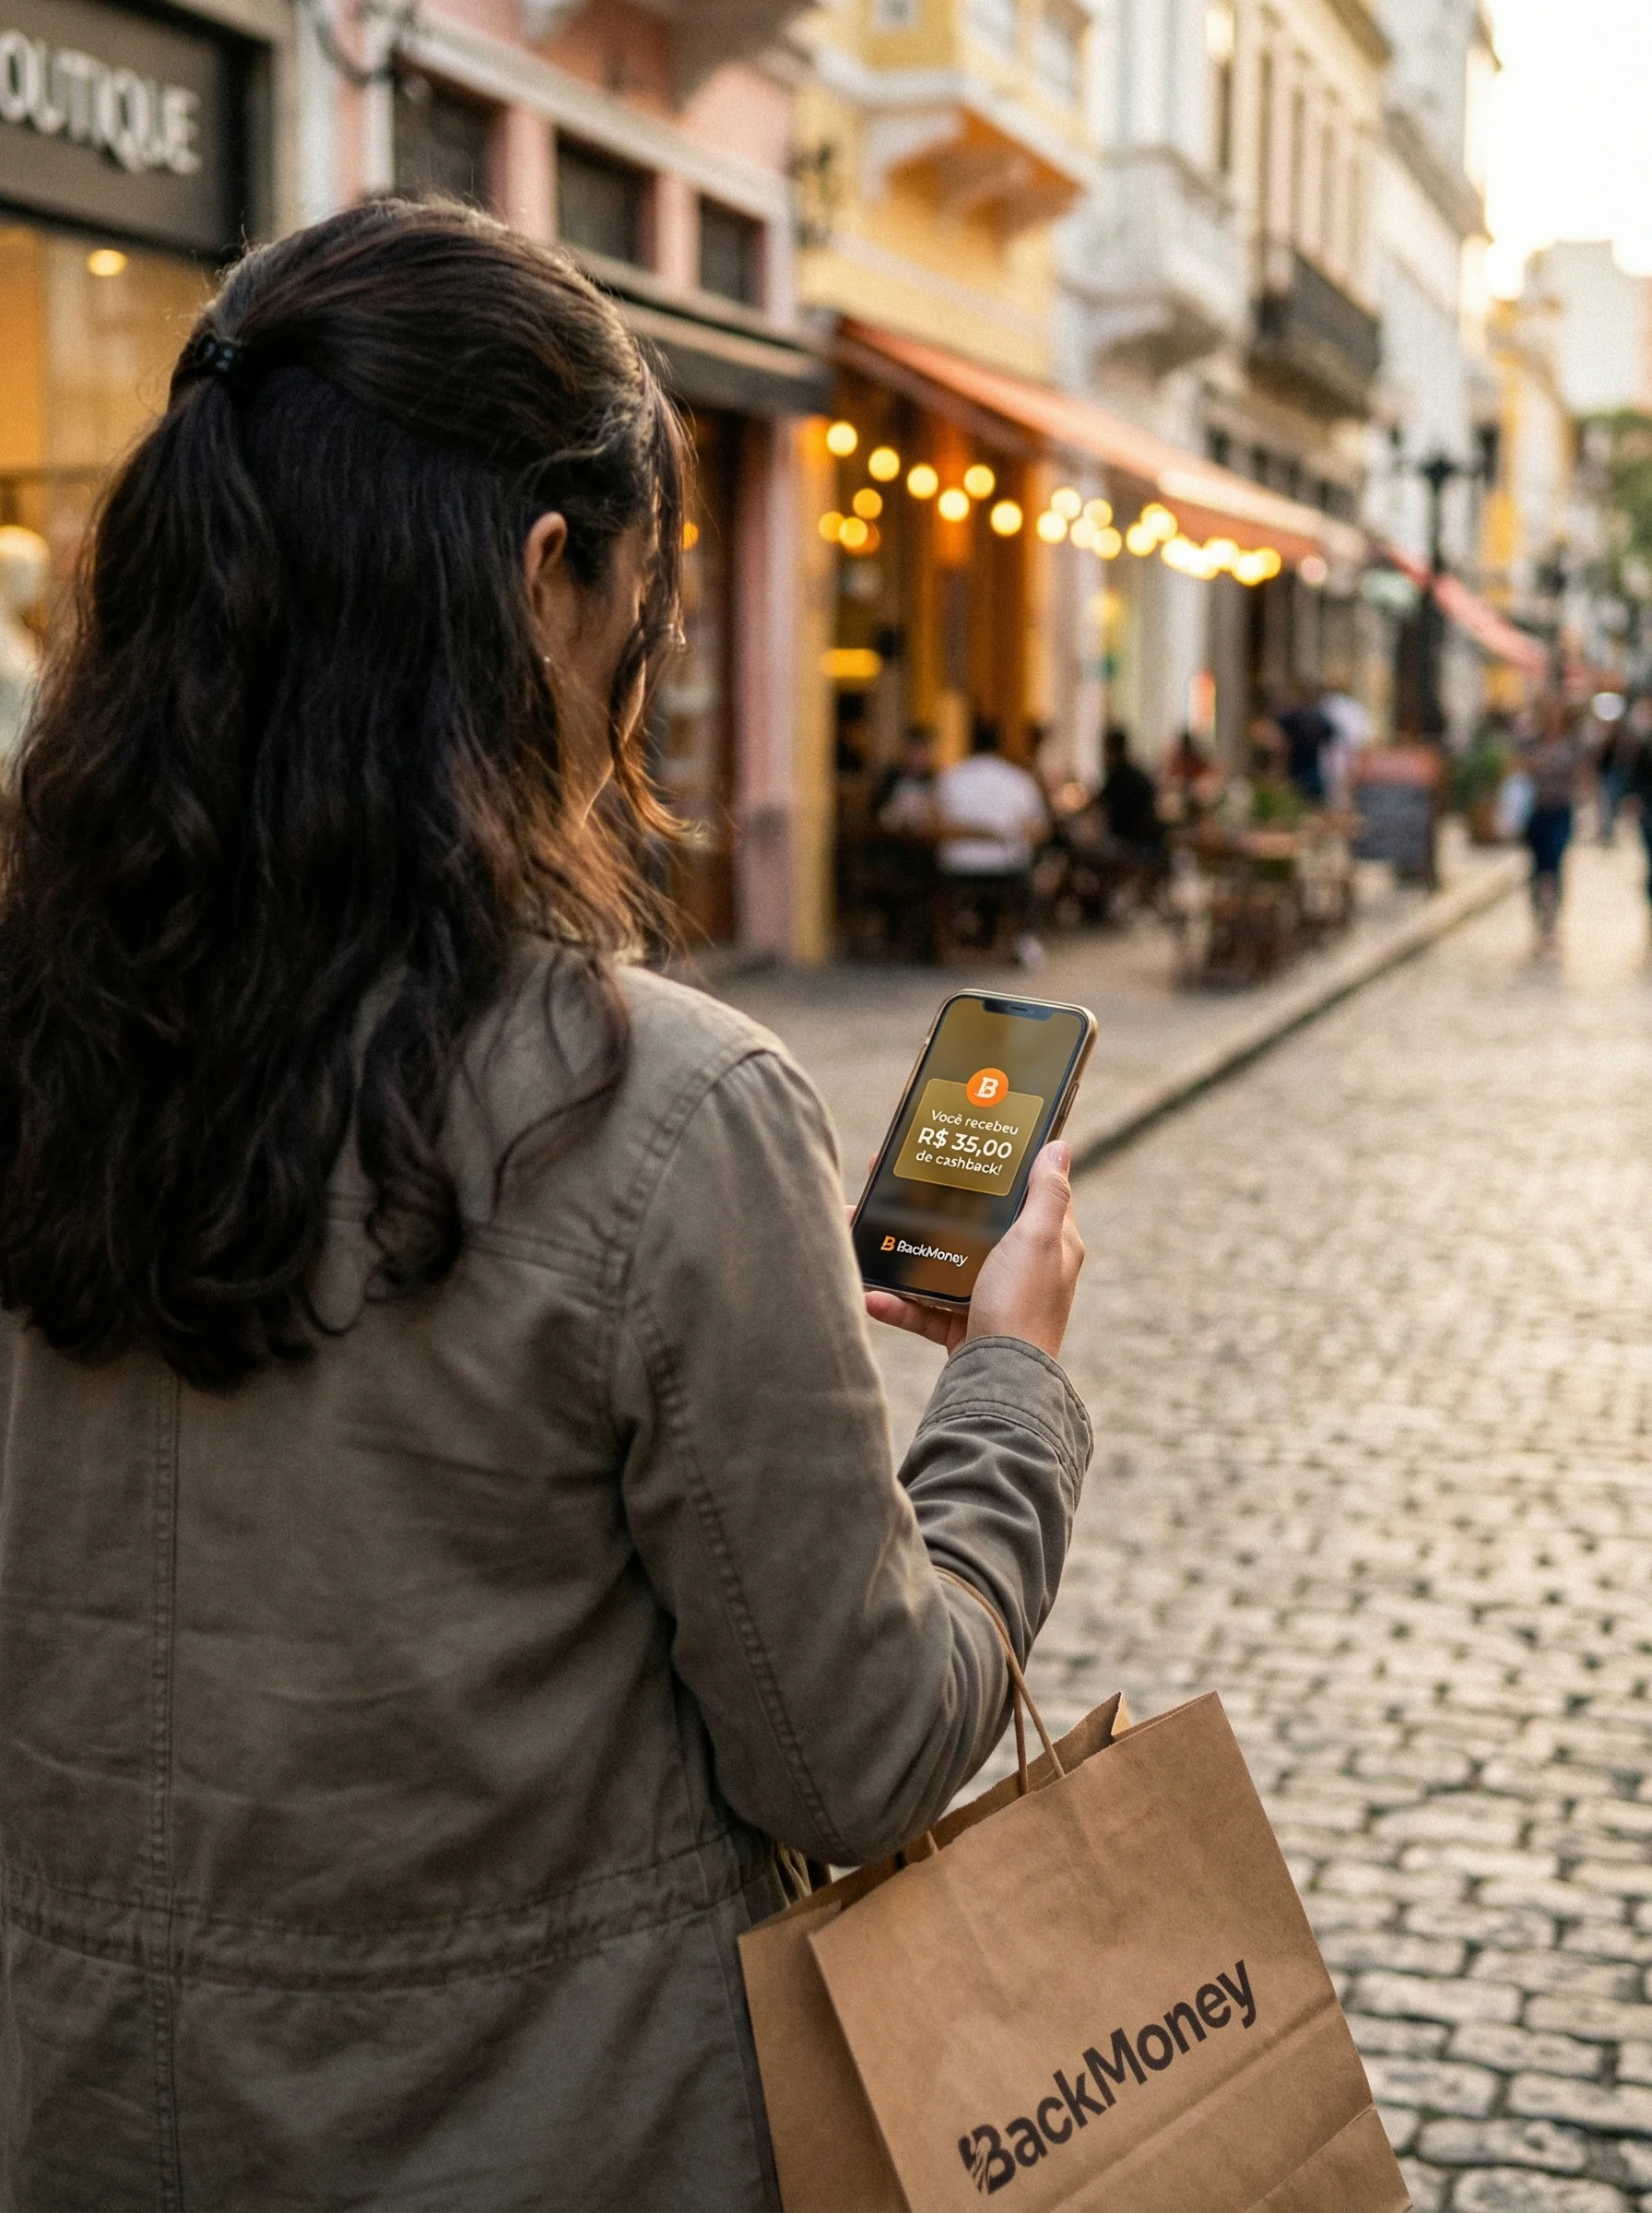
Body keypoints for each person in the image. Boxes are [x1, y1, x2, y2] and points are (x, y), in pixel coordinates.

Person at [0, 201, 1091, 2211]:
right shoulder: (660, 1111)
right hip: (545, 2138)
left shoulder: (37, 1044)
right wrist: (1009, 1386)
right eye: (642, 605)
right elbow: (857, 1758)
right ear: (542, 578)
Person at [935, 715, 1052, 966]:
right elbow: (1039, 830)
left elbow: (936, 825)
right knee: (1033, 877)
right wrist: (1005, 836)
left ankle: (944, 942)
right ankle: (1022, 940)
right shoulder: (1017, 779)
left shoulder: (952, 776)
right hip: (1006, 869)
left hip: (955, 867)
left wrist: (970, 835)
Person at [1521, 701, 1585, 941]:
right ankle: (1539, 915)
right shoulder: (1533, 744)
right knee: (1538, 867)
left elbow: (1581, 774)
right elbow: (1521, 772)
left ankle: (1552, 919)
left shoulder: (1570, 744)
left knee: (1555, 862)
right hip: (1537, 811)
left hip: (1561, 811)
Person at [1100, 724, 1167, 859]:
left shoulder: (1120, 776)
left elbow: (1103, 803)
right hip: (1145, 842)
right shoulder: (1135, 774)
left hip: (1134, 845)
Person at [1276, 687, 1334, 805]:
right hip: (1312, 767)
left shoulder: (1293, 716)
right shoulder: (1321, 719)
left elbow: (1279, 736)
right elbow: (1330, 741)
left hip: (1296, 765)